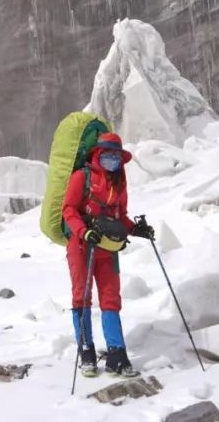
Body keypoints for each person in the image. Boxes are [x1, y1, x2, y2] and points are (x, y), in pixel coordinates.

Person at [61, 132, 155, 377]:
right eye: (108, 154)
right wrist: (83, 232)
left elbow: (119, 217)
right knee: (81, 298)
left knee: (111, 300)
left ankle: (117, 355)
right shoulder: (82, 177)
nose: (112, 159)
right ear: (98, 154)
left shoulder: (119, 184)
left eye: (116, 155)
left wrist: (137, 230)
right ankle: (87, 353)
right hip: (81, 247)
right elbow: (68, 209)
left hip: (107, 248)